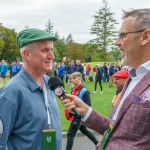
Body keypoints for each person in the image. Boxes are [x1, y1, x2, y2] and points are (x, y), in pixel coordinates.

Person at [61, 8, 150, 149]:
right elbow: (116, 129)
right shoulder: (133, 76)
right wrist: (86, 111)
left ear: (145, 37)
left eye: (122, 36)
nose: (117, 42)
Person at [0, 28, 62, 150]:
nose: (51, 56)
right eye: (45, 50)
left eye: (51, 50)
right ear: (27, 54)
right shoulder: (11, 92)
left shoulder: (48, 83)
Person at [64, 72, 100, 150]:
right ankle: (98, 144)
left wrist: (78, 111)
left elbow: (88, 106)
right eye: (71, 79)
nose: (72, 80)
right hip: (75, 114)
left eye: (74, 78)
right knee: (84, 130)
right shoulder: (73, 89)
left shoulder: (85, 91)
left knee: (70, 134)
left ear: (79, 78)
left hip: (79, 116)